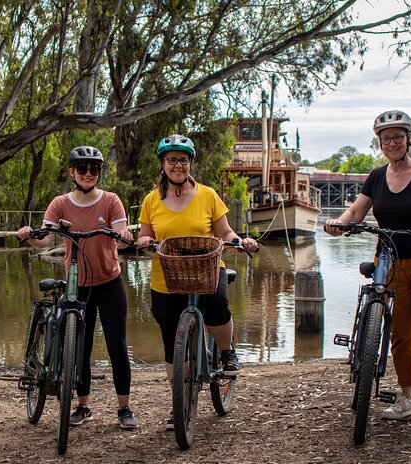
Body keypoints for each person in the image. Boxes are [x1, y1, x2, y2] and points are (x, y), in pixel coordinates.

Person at [324, 110, 411, 422]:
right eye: (387, 139)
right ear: (380, 143)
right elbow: (356, 212)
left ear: (408, 139)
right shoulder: (375, 177)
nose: (393, 143)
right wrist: (338, 224)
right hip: (389, 262)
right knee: (398, 333)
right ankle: (407, 397)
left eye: (398, 137)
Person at [136, 134, 258, 430]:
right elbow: (145, 234)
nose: (178, 165)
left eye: (183, 160)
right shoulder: (152, 199)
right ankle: (180, 403)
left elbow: (225, 232)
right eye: (172, 160)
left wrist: (240, 242)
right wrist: (144, 241)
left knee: (217, 302)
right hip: (168, 274)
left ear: (191, 163)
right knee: (170, 342)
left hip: (206, 267)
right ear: (163, 164)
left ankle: (227, 352)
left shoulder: (207, 195)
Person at [17, 145, 138, 430]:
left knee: (117, 346)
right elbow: (45, 238)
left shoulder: (111, 201)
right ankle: (83, 406)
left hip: (110, 283)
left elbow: (121, 236)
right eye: (81, 168)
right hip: (78, 287)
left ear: (99, 173)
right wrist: (29, 235)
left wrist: (123, 235)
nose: (87, 173)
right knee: (79, 349)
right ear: (72, 172)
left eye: (93, 168)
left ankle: (124, 408)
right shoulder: (60, 204)